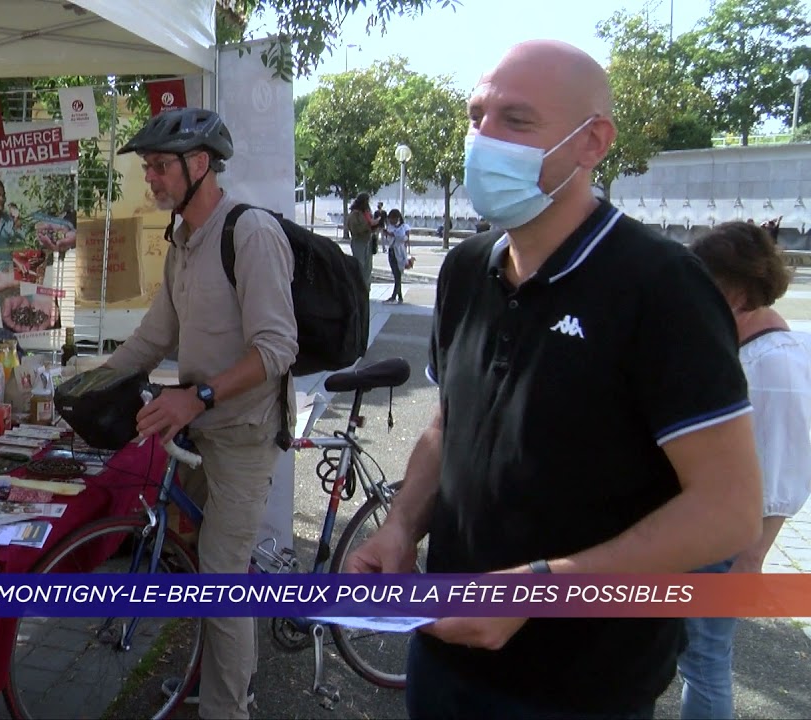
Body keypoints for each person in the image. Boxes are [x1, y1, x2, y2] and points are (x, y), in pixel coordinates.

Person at [346, 39, 763, 719]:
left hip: (583, 689)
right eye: (476, 115)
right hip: (441, 656)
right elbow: (449, 423)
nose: (483, 139)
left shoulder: (662, 287)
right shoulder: (464, 271)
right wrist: (399, 529)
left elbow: (729, 508)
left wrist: (541, 590)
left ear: (591, 142)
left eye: (516, 121)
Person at [104, 107, 298, 720]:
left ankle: (227, 710)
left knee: (220, 582)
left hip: (241, 435)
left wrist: (200, 396)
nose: (151, 180)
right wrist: (87, 384)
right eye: (149, 169)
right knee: (193, 564)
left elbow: (276, 347)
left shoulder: (250, 233)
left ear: (199, 164)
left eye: (159, 167)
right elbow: (153, 337)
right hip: (198, 434)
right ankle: (209, 679)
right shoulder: (182, 241)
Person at [678, 221, 811, 720]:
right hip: (701, 534)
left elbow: (782, 478)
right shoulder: (744, 348)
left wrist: (750, 560)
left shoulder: (774, 362)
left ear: (734, 292)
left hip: (726, 549)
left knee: (706, 661)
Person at [345, 192, 375, 287]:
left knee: (368, 268)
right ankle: (358, 288)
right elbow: (355, 229)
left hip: (368, 241)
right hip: (359, 242)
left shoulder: (366, 212)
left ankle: (366, 288)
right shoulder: (354, 214)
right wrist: (369, 225)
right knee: (359, 266)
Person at [382, 208, 410, 303]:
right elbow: (391, 238)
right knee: (396, 274)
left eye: (393, 219)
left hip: (400, 252)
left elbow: (404, 238)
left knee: (398, 274)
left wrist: (393, 235)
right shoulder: (390, 227)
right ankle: (399, 296)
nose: (391, 221)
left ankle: (395, 296)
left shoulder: (404, 227)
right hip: (392, 251)